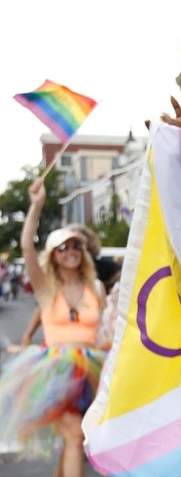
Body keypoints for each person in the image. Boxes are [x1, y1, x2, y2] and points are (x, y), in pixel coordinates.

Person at [0, 178, 106, 477]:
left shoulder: (95, 287)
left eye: (76, 245)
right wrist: (36, 205)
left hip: (92, 369)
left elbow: (105, 330)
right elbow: (26, 247)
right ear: (54, 256)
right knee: (74, 436)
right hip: (54, 371)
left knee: (77, 438)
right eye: (63, 247)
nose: (70, 251)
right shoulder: (46, 289)